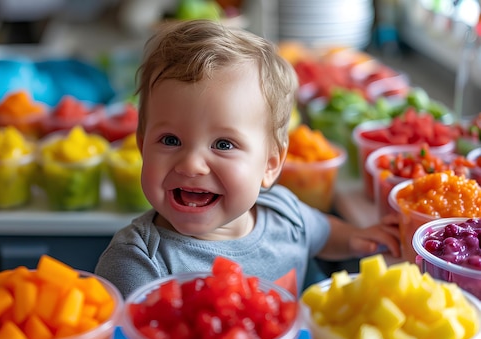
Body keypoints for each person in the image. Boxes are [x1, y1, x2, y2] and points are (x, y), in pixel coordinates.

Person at [94, 19, 400, 299]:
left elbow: (323, 234)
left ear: (269, 164)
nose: (191, 164)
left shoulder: (286, 213)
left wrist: (357, 238)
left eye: (223, 144)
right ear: (142, 145)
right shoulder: (137, 263)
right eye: (170, 140)